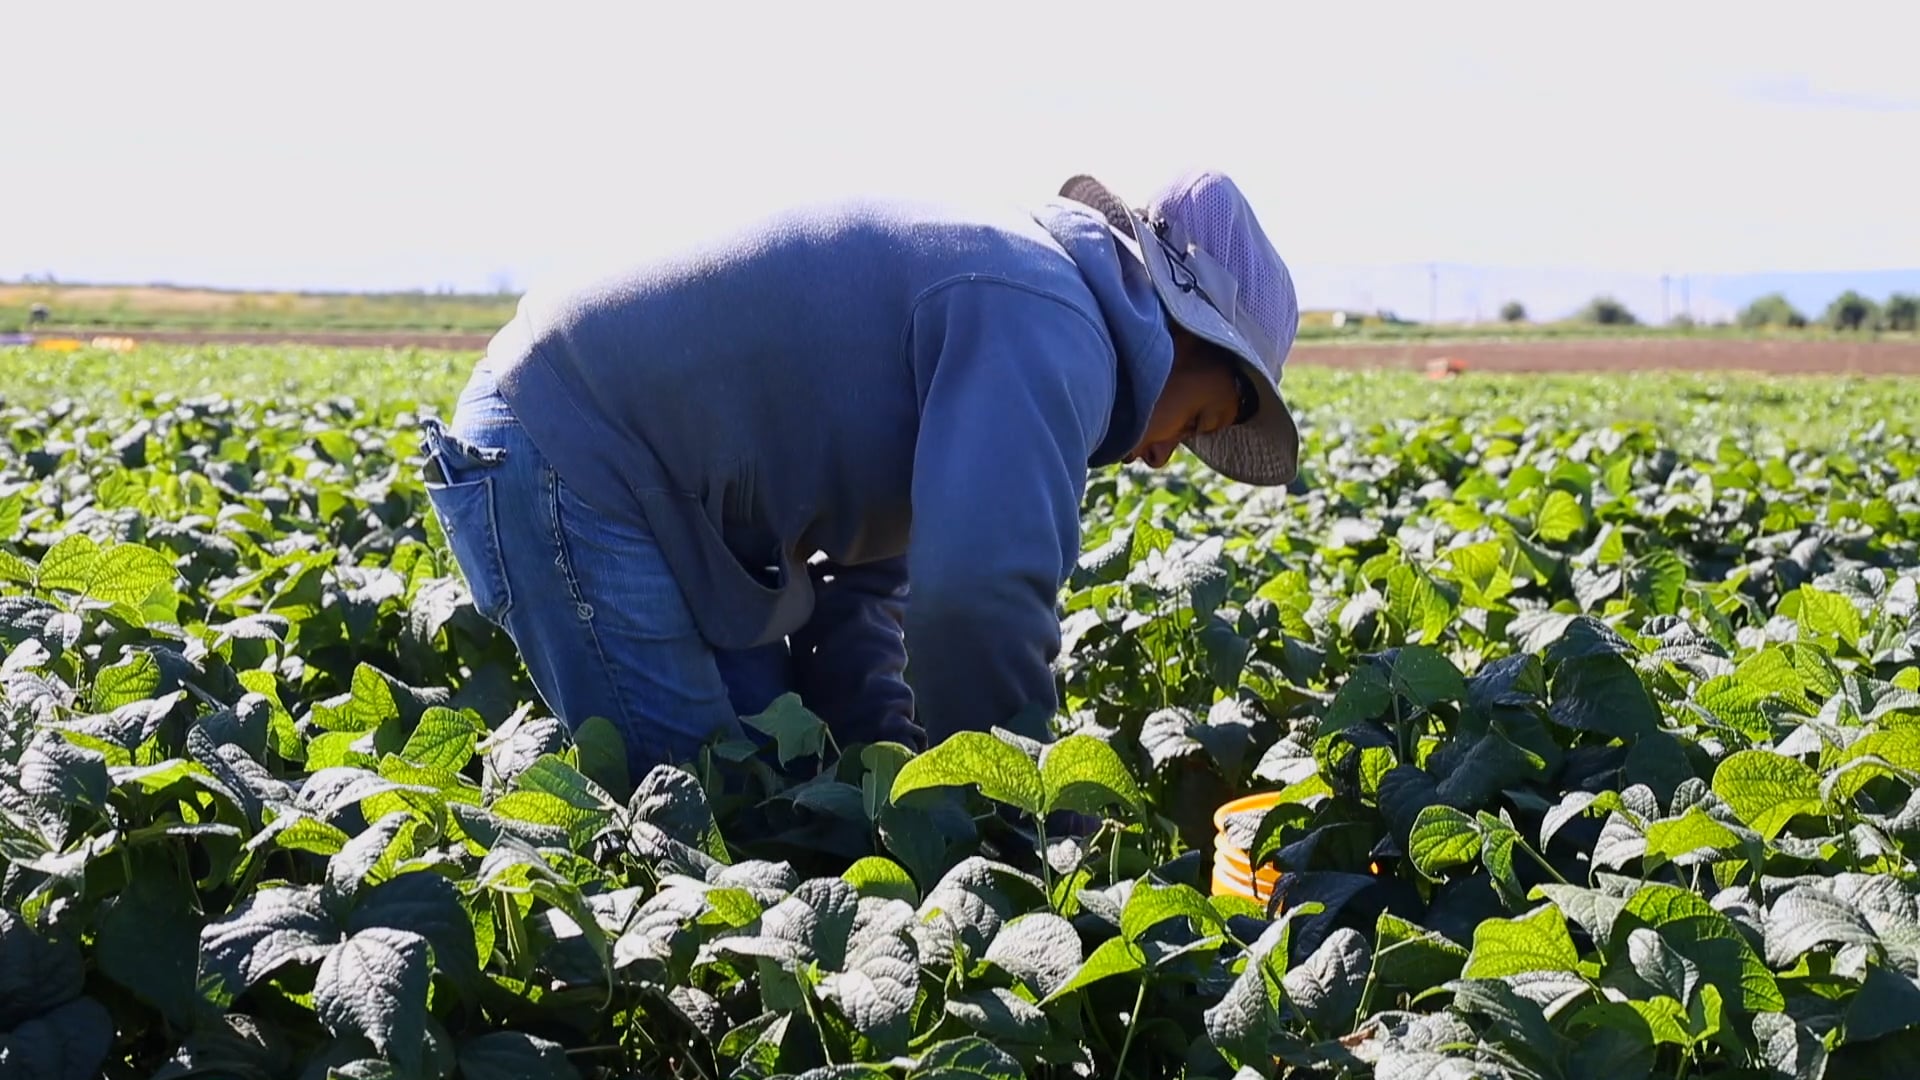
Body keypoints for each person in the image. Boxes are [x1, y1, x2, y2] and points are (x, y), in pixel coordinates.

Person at [418, 169, 1301, 779]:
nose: (1159, 454)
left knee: (781, 780)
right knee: (704, 824)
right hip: (569, 451)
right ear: (1183, 332)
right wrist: (1008, 817)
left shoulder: (1031, 301)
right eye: (1198, 422)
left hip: (655, 497)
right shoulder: (1049, 323)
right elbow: (978, 597)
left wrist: (892, 756)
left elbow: (869, 588)